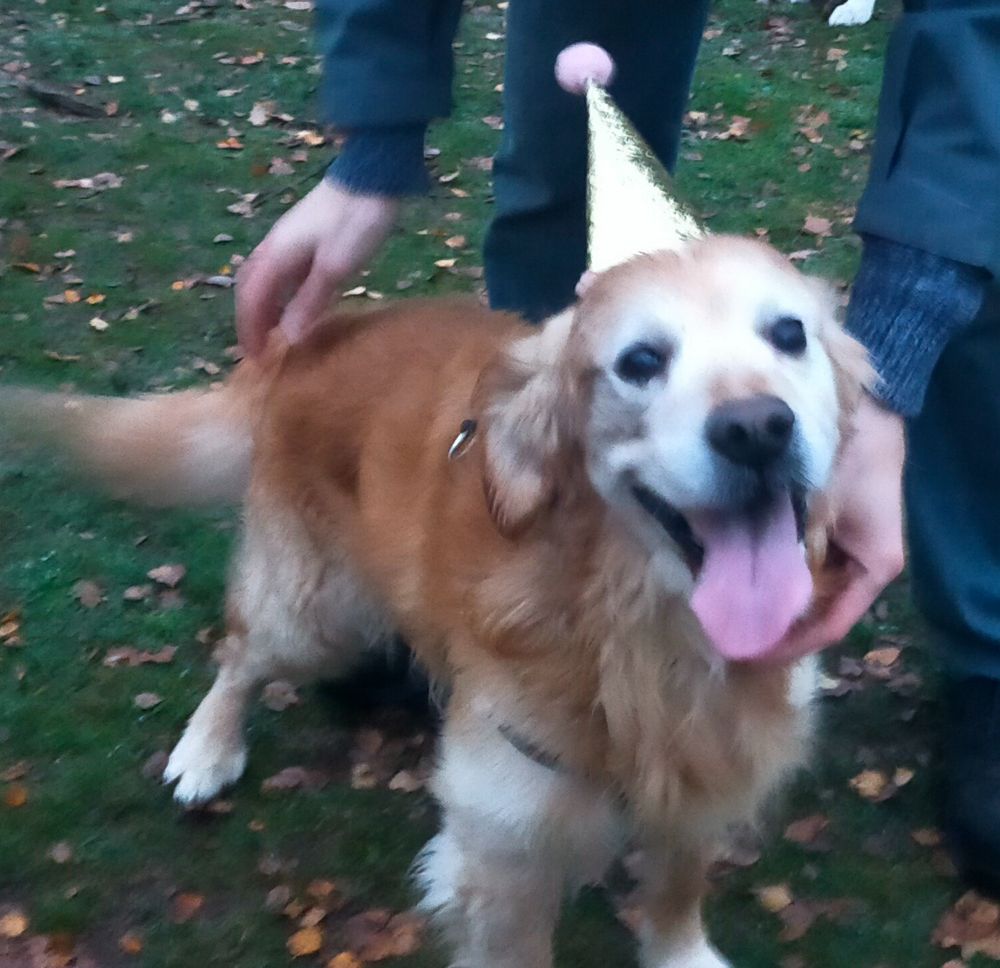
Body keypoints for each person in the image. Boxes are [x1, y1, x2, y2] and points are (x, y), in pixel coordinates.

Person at [235, 0, 1000, 892]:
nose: (747, 412)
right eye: (645, 359)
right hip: (546, 487)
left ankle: (987, 655)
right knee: (548, 197)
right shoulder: (533, 426)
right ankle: (470, 657)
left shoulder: (841, 392)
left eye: (785, 340)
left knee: (980, 281)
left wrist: (894, 370)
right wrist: (375, 144)